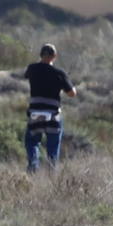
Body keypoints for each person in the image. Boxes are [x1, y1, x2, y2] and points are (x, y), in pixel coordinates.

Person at [23, 43, 76, 172]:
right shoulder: (59, 73)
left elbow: (27, 75)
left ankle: (33, 167)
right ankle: (52, 174)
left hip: (35, 114)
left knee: (32, 142)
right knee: (53, 148)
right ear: (55, 56)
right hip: (53, 115)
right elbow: (72, 93)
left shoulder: (32, 69)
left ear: (40, 55)